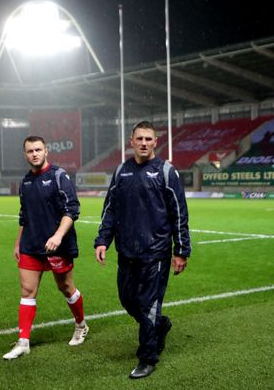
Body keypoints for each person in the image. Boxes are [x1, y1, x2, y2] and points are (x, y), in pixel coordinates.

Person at [94, 121, 191, 379]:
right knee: (127, 300)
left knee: (148, 305)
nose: (144, 143)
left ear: (155, 142)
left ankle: (147, 357)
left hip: (156, 253)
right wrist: (103, 240)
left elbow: (179, 213)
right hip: (127, 252)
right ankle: (160, 325)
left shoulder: (166, 172)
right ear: (132, 141)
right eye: (140, 138)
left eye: (149, 138)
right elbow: (110, 209)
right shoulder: (121, 171)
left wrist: (181, 251)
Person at [3, 135, 88, 359]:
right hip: (31, 244)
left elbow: (72, 209)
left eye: (38, 149)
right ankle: (23, 342)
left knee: (66, 287)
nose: (34, 154)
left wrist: (58, 236)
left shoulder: (59, 176)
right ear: (25, 155)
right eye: (30, 151)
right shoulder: (25, 182)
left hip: (57, 246)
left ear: (46, 151)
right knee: (27, 291)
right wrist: (18, 243)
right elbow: (24, 216)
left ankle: (81, 325)